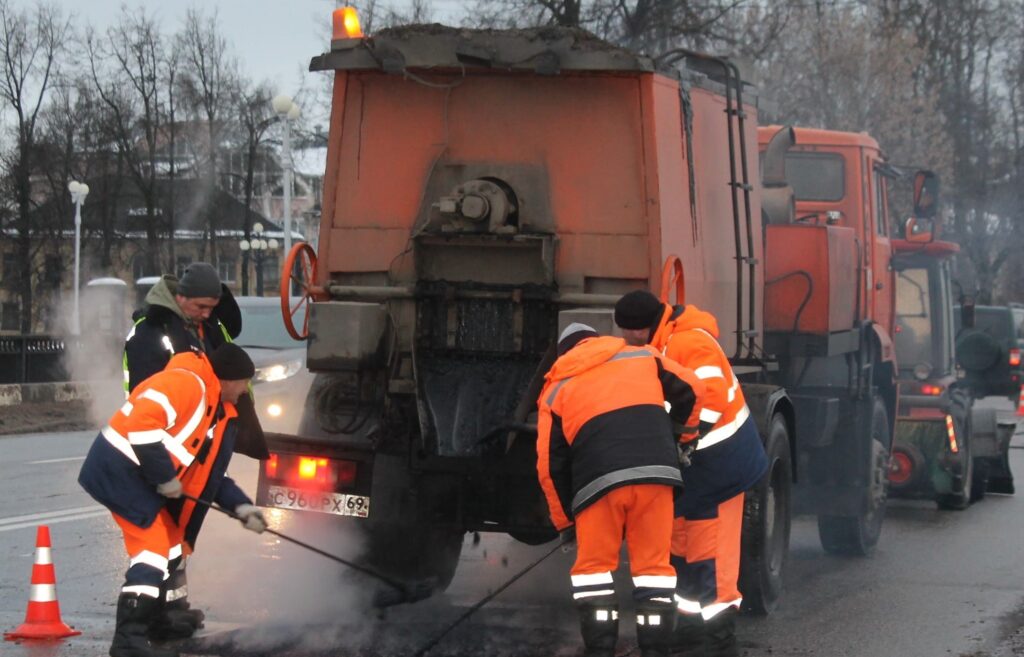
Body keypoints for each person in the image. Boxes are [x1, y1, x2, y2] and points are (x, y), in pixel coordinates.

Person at [79, 344, 267, 657]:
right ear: (228, 379)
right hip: (119, 473)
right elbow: (141, 426)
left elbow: (211, 477)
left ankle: (159, 620)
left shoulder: (216, 410)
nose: (245, 391)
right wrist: (165, 477)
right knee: (152, 551)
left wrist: (242, 507)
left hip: (140, 479)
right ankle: (127, 641)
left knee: (173, 545)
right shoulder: (184, 383)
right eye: (244, 383)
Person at [537, 323, 707, 657]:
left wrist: (565, 523)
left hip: (598, 485)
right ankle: (655, 651)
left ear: (564, 353)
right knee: (655, 573)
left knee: (594, 574)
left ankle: (601, 650)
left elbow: (548, 466)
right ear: (595, 340)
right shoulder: (643, 356)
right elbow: (694, 387)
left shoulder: (556, 389)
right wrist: (682, 439)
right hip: (658, 478)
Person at [614, 291, 769, 657]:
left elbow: (710, 398)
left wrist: (687, 439)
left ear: (640, 328)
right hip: (700, 468)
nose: (624, 339)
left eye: (626, 332)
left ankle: (720, 643)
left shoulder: (689, 341)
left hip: (723, 465)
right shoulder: (663, 341)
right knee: (683, 547)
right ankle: (688, 631)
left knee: (712, 553)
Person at [123, 263, 267, 638]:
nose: (208, 314)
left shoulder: (205, 324)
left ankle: (173, 607)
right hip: (169, 444)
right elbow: (145, 397)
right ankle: (151, 618)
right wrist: (161, 461)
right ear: (180, 297)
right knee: (162, 534)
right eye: (201, 307)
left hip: (202, 435)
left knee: (181, 528)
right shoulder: (150, 333)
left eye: (211, 307)